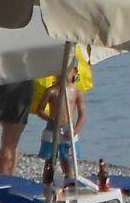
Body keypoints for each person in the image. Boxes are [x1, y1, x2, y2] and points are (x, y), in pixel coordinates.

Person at [29, 46, 94, 182]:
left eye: (67, 71)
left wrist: (75, 130)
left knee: (67, 160)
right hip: (52, 127)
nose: (63, 75)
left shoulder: (76, 91)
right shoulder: (51, 91)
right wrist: (50, 118)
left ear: (74, 73)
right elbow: (40, 110)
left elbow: (82, 114)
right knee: (49, 161)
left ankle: (69, 182)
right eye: (60, 72)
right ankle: (47, 184)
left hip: (68, 128)